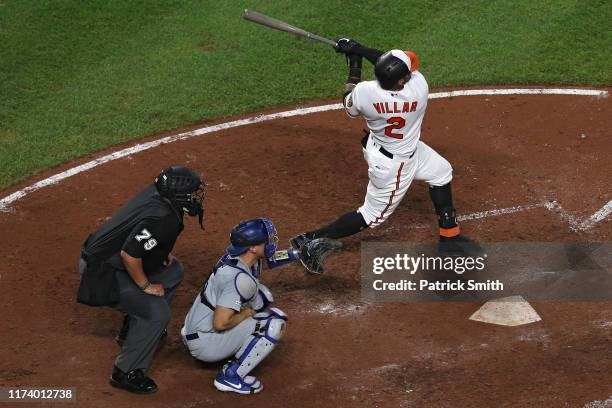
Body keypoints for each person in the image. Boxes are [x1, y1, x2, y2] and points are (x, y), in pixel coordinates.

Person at [291, 39, 482, 257]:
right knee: (372, 215)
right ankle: (309, 240)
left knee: (441, 171)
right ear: (401, 80)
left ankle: (450, 238)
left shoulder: (365, 92)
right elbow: (381, 57)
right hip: (396, 164)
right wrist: (359, 49)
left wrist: (354, 64)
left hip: (384, 147)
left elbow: (349, 103)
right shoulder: (419, 88)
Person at [77, 166, 205, 394]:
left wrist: (158, 251)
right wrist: (145, 286)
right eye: (192, 193)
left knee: (172, 271)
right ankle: (126, 372)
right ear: (178, 196)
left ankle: (134, 330)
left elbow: (137, 230)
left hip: (108, 257)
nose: (196, 197)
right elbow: (130, 254)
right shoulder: (164, 218)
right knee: (157, 313)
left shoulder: (157, 197)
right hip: (100, 271)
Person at [182, 218, 330, 394]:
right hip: (205, 343)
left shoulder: (236, 258)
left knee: (261, 298)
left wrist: (296, 254)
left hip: (194, 329)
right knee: (273, 325)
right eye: (265, 241)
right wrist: (245, 314)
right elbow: (220, 324)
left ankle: (235, 345)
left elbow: (268, 259)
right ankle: (230, 377)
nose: (270, 242)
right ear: (252, 248)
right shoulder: (238, 279)